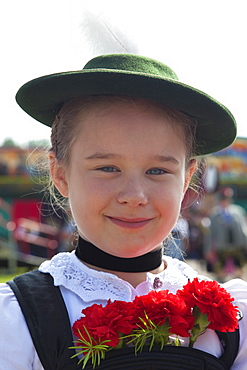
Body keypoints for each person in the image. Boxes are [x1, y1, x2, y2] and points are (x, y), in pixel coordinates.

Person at [0, 53, 246, 369]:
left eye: (157, 171)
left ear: (186, 179)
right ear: (61, 174)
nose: (134, 196)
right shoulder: (18, 318)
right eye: (107, 167)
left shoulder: (233, 319)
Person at [204, 187, 247, 282]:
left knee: (239, 271)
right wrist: (208, 250)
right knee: (220, 272)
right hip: (221, 247)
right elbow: (210, 234)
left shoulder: (238, 212)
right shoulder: (214, 214)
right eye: (223, 199)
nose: (225, 201)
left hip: (237, 246)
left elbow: (243, 229)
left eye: (227, 199)